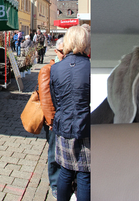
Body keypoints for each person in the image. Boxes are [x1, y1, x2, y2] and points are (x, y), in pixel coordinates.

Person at [50, 26, 90, 201]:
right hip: (86, 126)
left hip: (65, 124)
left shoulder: (56, 68)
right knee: (84, 173)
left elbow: (55, 99)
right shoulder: (91, 67)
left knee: (66, 170)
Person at [38, 37, 65, 198]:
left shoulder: (66, 66)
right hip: (53, 120)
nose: (65, 55)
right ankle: (54, 184)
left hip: (64, 119)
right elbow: (46, 98)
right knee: (54, 153)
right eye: (62, 52)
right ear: (56, 52)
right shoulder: (48, 69)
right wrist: (51, 121)